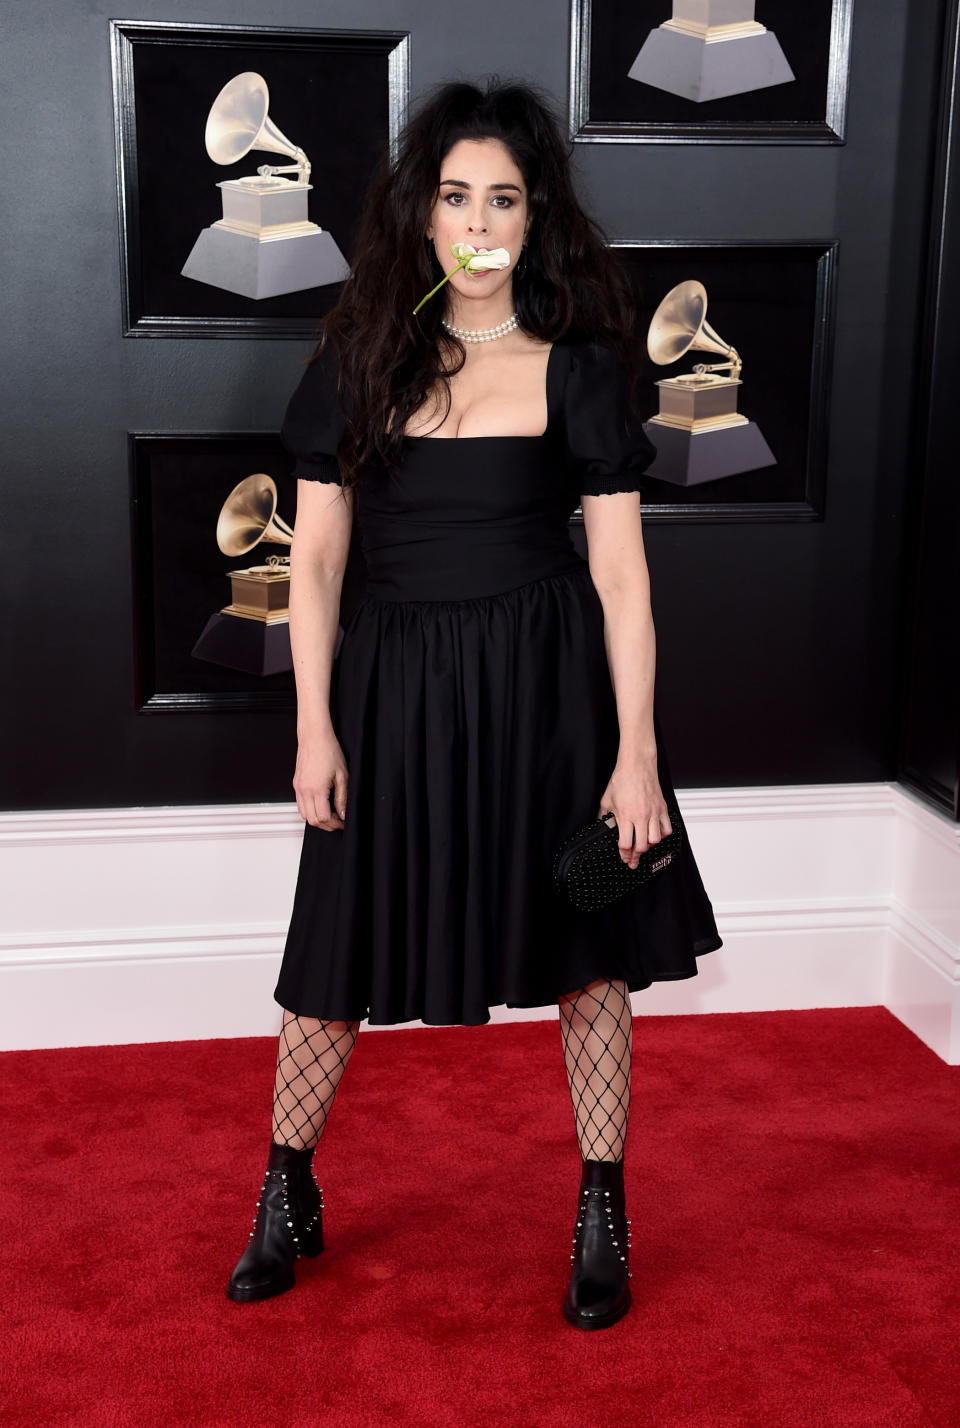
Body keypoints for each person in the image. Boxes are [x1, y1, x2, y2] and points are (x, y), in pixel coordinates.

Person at [226, 78, 722, 1330]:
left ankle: (602, 1209)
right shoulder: (358, 361)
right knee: (332, 960)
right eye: (457, 197)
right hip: (392, 703)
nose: (479, 222)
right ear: (424, 214)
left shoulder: (585, 371)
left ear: (533, 215)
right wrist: (315, 729)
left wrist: (638, 757)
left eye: (503, 197)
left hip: (558, 705)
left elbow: (619, 573)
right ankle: (285, 1190)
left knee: (592, 955)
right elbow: (319, 563)